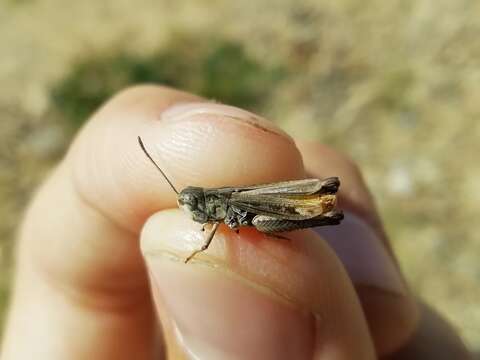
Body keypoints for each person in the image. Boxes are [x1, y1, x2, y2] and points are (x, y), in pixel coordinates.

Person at [0, 86, 471, 359]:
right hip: (263, 224)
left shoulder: (221, 201)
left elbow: (230, 221)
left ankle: (320, 214)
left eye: (193, 203)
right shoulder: (206, 208)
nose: (192, 211)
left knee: (306, 201)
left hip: (274, 208)